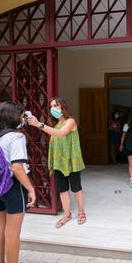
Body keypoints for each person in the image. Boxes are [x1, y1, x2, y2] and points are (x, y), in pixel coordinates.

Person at [0, 102, 37, 263]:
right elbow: (17, 167)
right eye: (22, 115)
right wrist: (31, 189)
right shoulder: (16, 136)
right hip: (12, 187)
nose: (24, 118)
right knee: (12, 232)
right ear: (14, 117)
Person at [28, 97, 86, 228]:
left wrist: (39, 124)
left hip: (72, 161)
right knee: (63, 190)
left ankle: (81, 212)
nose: (53, 108)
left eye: (56, 105)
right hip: (59, 162)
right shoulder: (55, 124)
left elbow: (60, 134)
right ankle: (67, 215)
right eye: (51, 106)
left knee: (76, 188)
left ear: (63, 107)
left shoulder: (70, 121)